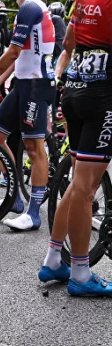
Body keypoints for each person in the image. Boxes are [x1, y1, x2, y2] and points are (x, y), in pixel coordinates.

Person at [40, 0, 112, 295]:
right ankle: (81, 273)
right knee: (85, 187)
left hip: (73, 90)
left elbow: (69, 42)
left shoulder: (83, 2)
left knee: (77, 182)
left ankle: (54, 259)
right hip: (102, 96)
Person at [0, 0, 57, 231]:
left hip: (36, 86)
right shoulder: (25, 10)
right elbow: (16, 57)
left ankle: (34, 214)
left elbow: (13, 51)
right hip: (22, 84)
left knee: (33, 147)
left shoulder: (31, 7)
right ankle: (14, 198)